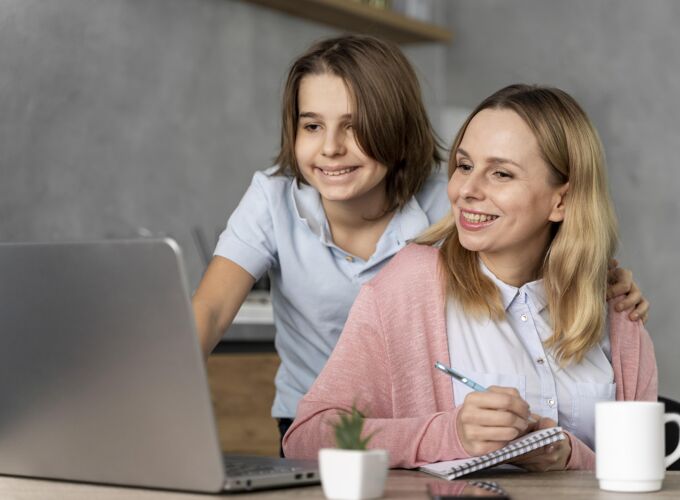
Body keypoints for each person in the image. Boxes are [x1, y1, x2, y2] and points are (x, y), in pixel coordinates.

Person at [191, 35, 648, 451]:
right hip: (321, 418)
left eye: (353, 127)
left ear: (394, 127)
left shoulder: (445, 199)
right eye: (311, 126)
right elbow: (209, 312)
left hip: (421, 414)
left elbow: (532, 233)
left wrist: (602, 277)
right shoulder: (274, 199)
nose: (329, 148)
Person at [282, 84, 657, 471]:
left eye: (500, 173)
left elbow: (639, 472)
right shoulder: (411, 286)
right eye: (464, 166)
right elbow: (307, 438)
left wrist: (567, 456)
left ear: (560, 200)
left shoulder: (616, 308)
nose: (466, 190)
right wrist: (451, 434)